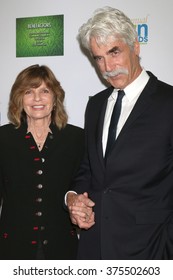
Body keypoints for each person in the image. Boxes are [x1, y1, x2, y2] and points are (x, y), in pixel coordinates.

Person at [67, 6, 173, 260]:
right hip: (94, 247)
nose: (108, 67)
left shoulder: (169, 102)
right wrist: (73, 198)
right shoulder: (96, 105)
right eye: (99, 58)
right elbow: (89, 168)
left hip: (151, 250)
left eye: (114, 52)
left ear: (135, 46)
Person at [0, 64, 84, 260]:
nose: (37, 98)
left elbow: (83, 184)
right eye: (29, 91)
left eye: (45, 91)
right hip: (13, 247)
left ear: (55, 98)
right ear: (19, 99)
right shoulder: (3, 138)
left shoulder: (77, 138)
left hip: (62, 246)